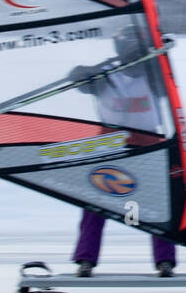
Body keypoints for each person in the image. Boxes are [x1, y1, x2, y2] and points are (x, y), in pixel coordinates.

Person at [67, 26, 177, 278]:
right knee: (95, 204)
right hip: (109, 145)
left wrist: (161, 54)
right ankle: (85, 260)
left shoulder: (153, 73)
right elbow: (77, 81)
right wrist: (82, 74)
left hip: (149, 146)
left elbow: (165, 81)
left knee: (158, 205)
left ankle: (165, 261)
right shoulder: (106, 74)